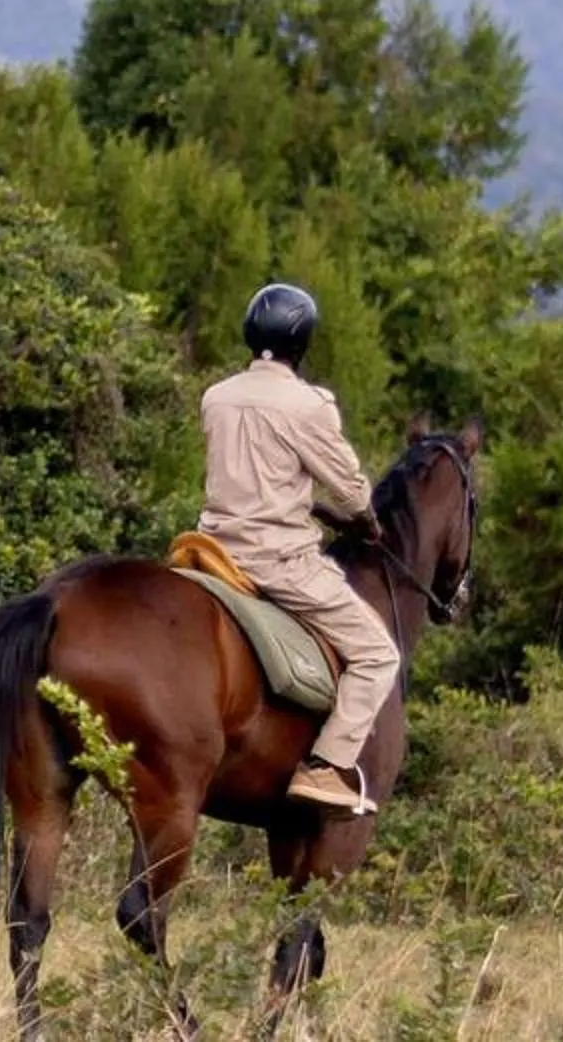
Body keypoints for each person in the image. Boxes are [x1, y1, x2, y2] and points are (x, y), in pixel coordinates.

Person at [198, 280, 401, 817]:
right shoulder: (309, 406)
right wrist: (364, 520)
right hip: (277, 562)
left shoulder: (215, 397)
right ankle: (327, 766)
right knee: (378, 655)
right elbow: (353, 492)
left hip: (211, 551)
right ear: (302, 342)